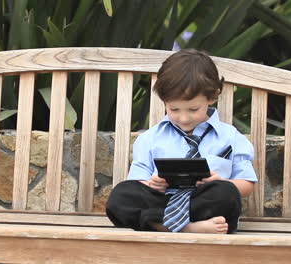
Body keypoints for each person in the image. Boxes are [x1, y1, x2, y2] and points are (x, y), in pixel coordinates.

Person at [106, 49, 257, 234]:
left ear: (213, 96)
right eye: (174, 109)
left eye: (193, 109)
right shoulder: (150, 138)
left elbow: (247, 183)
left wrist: (222, 182)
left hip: (205, 207)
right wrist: (153, 185)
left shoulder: (231, 137)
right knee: (121, 194)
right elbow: (138, 180)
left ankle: (161, 225)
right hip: (162, 203)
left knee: (225, 193)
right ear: (164, 101)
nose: (184, 118)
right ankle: (184, 227)